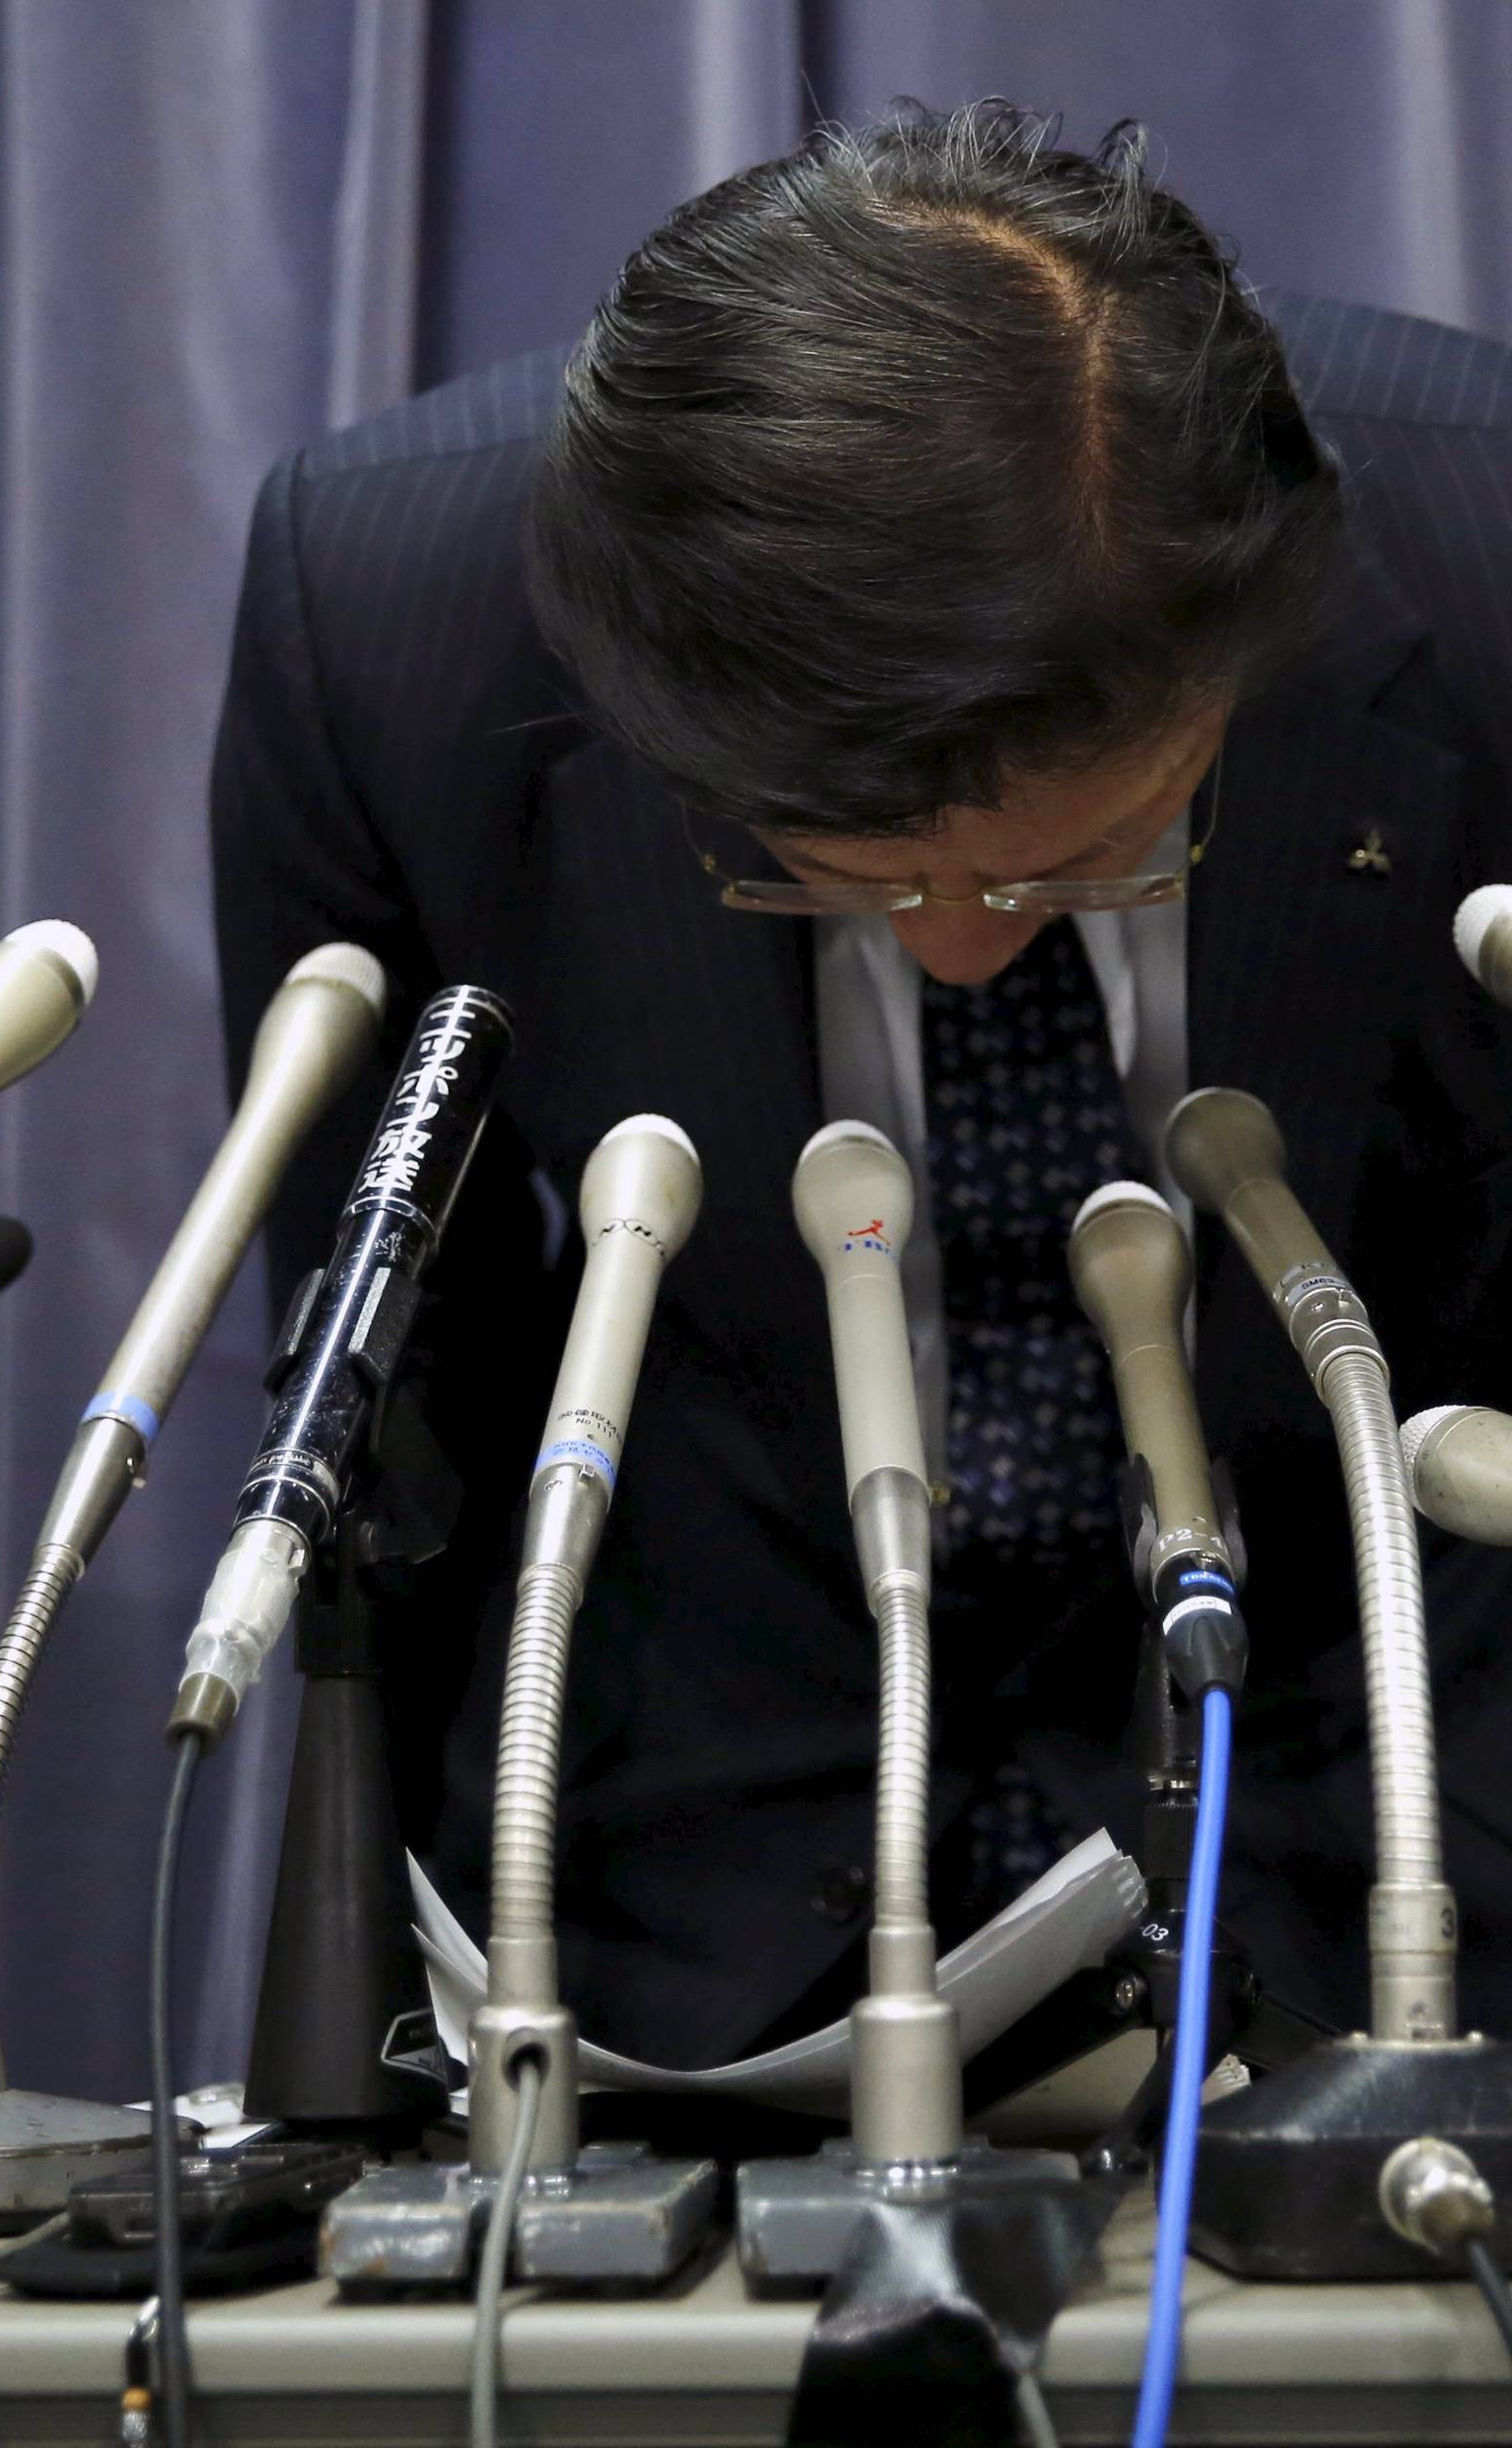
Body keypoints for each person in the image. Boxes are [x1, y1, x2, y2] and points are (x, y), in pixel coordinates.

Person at [210, 103, 1512, 2070]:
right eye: (848, 872)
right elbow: (397, 1400)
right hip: (698, 1887)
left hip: (1396, 1836)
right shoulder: (396, 614)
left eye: (1085, 861)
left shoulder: (1480, 552)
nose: (966, 941)